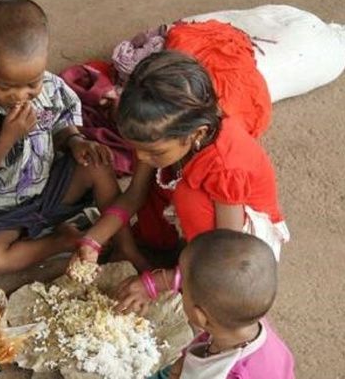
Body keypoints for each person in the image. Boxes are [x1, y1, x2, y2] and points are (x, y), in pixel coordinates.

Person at [69, 50, 289, 312]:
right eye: (136, 148)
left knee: (188, 197)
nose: (141, 157)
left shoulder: (226, 167)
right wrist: (93, 240)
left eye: (154, 152)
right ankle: (174, 255)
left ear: (197, 134)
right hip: (203, 222)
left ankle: (182, 274)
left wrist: (155, 283)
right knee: (161, 190)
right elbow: (134, 195)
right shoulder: (160, 138)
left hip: (240, 245)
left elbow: (224, 254)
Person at [0, 0, 145, 277]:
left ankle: (125, 245)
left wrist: (76, 141)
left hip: (48, 189)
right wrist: (7, 138)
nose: (19, 95)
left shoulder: (52, 87)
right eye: (4, 85)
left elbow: (62, 125)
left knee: (98, 162)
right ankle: (60, 241)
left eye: (31, 83)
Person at [149, 229, 294, 379]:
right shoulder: (243, 320)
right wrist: (185, 360)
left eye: (183, 287)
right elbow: (206, 339)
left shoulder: (229, 374)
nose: (180, 287)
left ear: (201, 317)